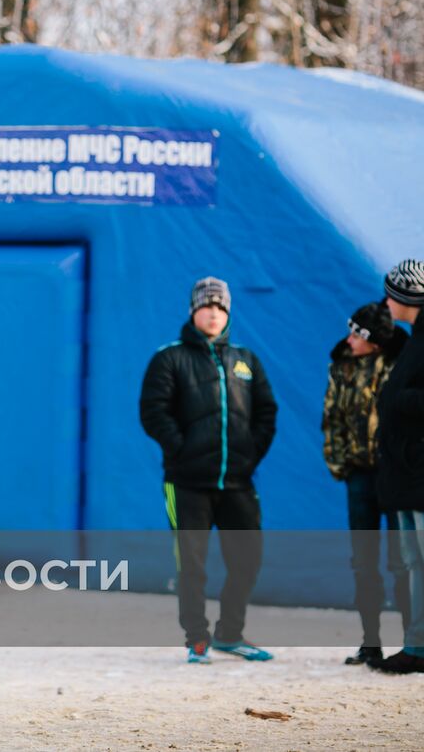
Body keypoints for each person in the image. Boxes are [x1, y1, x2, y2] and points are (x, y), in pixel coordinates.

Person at [139, 276, 278, 664]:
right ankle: (196, 638)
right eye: (206, 306)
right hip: (187, 484)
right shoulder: (169, 358)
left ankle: (230, 634)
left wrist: (249, 454)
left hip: (238, 481)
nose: (213, 314)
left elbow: (266, 412)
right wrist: (181, 450)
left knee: (247, 558)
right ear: (193, 311)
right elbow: (153, 412)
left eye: (220, 308)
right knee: (192, 565)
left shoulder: (245, 360)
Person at [322, 301, 411, 665]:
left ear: (374, 342)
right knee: (364, 562)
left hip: (394, 477)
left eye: (357, 333)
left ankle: (413, 641)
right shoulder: (342, 364)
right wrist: (340, 464)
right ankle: (370, 642)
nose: (349, 338)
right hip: (359, 477)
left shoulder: (401, 364)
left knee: (403, 561)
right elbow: (332, 418)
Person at [371, 260, 424, 674]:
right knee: (415, 562)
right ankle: (417, 646)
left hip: (419, 469)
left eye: (391, 294)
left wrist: (395, 401)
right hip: (407, 472)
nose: (386, 301)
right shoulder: (414, 340)